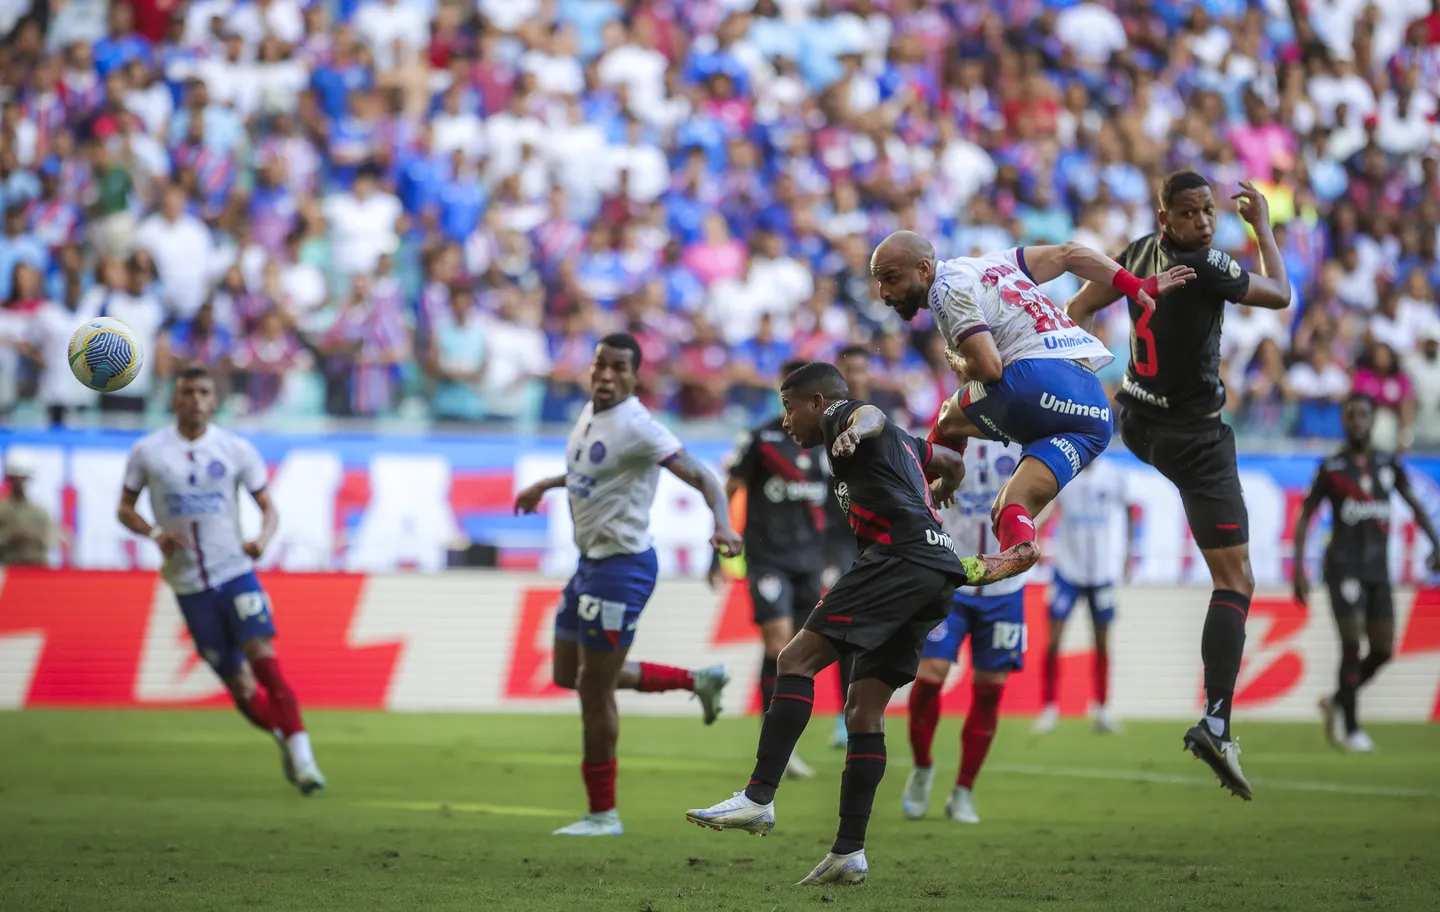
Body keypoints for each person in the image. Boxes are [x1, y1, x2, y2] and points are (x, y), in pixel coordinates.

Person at [685, 362, 967, 886]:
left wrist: (852, 429)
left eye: (791, 407)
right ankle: (848, 852)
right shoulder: (908, 443)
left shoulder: (843, 418)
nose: (787, 420)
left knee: (793, 659)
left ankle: (758, 797)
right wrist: (945, 486)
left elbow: (868, 414)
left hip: (897, 559)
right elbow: (950, 458)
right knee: (863, 710)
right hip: (937, 572)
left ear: (817, 403)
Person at [1066, 172, 1292, 800]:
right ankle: (1217, 722)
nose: (1204, 223)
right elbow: (1280, 294)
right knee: (1237, 580)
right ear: (1167, 217)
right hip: (1193, 438)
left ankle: (1218, 722)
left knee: (1229, 572)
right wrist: (1264, 229)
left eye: (1209, 212)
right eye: (1191, 213)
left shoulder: (1140, 249)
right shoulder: (1208, 264)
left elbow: (1077, 311)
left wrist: (1087, 375)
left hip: (1136, 422)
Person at [869, 230, 1192, 589]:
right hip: (1092, 408)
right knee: (1009, 506)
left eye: (891, 279)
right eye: (879, 281)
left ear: (925, 269)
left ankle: (914, 511)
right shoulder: (997, 262)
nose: (884, 293)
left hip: (1033, 381)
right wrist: (1133, 284)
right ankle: (1019, 547)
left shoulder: (945, 290)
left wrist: (956, 357)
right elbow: (1069, 253)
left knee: (948, 415)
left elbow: (989, 368)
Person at [513, 333, 740, 837]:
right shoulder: (591, 413)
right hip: (590, 563)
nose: (607, 376)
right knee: (568, 673)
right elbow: (592, 473)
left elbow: (703, 476)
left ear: (636, 377)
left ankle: (603, 814)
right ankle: (696, 680)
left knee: (594, 689)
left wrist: (722, 524)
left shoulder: (639, 424)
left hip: (623, 568)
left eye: (619, 368)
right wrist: (545, 486)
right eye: (601, 366)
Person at [115, 366, 325, 794]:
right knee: (241, 687)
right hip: (189, 585)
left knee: (263, 656)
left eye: (203, 392)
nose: (195, 398)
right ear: (173, 400)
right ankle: (284, 738)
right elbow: (124, 507)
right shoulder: (148, 451)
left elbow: (269, 508)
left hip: (235, 573)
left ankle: (305, 760)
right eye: (186, 391)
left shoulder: (235, 449)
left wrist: (262, 540)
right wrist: (154, 533)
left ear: (215, 401)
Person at [1292, 394, 1440, 753]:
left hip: (1377, 570)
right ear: (1343, 422)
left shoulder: (1388, 464)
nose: (1356, 421)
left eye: (1362, 415)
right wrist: (1299, 568)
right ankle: (1353, 727)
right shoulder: (1332, 467)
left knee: (1384, 649)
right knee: (1351, 643)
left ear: (1372, 420)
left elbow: (1414, 504)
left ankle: (1340, 698)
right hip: (1342, 567)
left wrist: (1436, 542)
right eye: (1351, 415)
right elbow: (1306, 515)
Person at [903, 439, 1031, 825]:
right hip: (950, 580)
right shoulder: (947, 432)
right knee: (928, 678)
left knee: (990, 691)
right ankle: (923, 767)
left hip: (1005, 588)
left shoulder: (1028, 436)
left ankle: (963, 791)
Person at [725, 358, 829, 780]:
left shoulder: (828, 440)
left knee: (798, 656)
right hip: (768, 558)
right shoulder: (764, 437)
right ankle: (775, 744)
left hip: (811, 559)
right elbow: (731, 485)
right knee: (778, 645)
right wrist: (720, 540)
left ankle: (784, 741)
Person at [1032, 454, 1134, 735]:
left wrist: (1128, 552)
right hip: (1067, 570)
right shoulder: (1066, 473)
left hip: (1102, 572)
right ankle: (1049, 708)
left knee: (1102, 641)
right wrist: (1034, 535)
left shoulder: (1113, 475)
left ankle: (1102, 710)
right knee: (1053, 641)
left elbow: (1128, 510)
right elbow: (1051, 507)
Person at [0, 453, 57, 565]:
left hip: (36, 566)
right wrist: (10, 536)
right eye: (15, 478)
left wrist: (33, 537)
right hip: (9, 565)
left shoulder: (40, 512)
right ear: (9, 479)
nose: (19, 482)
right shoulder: (2, 510)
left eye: (22, 478)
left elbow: (49, 540)